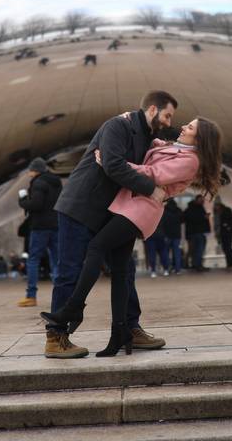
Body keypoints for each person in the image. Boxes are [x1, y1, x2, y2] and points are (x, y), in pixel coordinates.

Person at [42, 117, 223, 357]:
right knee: (120, 271)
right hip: (127, 206)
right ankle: (121, 332)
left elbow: (152, 172)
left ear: (200, 139)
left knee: (96, 248)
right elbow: (156, 146)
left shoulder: (190, 160)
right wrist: (146, 135)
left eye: (189, 127)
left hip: (140, 210)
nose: (182, 126)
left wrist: (112, 161)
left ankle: (75, 308)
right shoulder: (178, 148)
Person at [42, 91, 178, 359]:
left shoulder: (147, 138)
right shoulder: (118, 125)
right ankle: (56, 337)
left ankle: (130, 328)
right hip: (81, 207)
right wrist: (151, 190)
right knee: (70, 271)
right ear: (152, 109)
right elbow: (113, 166)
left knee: (124, 269)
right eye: (167, 115)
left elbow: (146, 164)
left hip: (110, 212)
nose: (169, 121)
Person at [17, 158, 63, 308]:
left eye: (30, 170)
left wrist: (23, 200)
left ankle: (31, 296)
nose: (29, 174)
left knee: (33, 260)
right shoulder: (57, 183)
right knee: (56, 261)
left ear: (35, 170)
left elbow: (36, 204)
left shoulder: (38, 183)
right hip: (56, 225)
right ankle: (61, 295)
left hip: (40, 227)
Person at [184, 195, 210, 271]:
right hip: (196, 233)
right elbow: (192, 219)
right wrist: (203, 217)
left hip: (198, 232)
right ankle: (197, 265)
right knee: (198, 249)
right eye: (201, 200)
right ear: (196, 200)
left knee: (197, 249)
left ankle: (196, 264)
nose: (202, 201)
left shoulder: (199, 208)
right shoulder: (192, 209)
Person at [160, 199, 183, 275]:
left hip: (167, 235)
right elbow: (182, 220)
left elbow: (161, 223)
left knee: (165, 252)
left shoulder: (164, 211)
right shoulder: (178, 210)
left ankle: (167, 268)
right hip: (177, 235)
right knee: (177, 253)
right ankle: (178, 269)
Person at [215, 201, 232, 270]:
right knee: (225, 249)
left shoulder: (226, 210)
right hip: (222, 233)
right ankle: (229, 264)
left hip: (228, 233)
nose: (216, 207)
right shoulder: (218, 212)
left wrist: (228, 225)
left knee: (228, 248)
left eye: (217, 206)